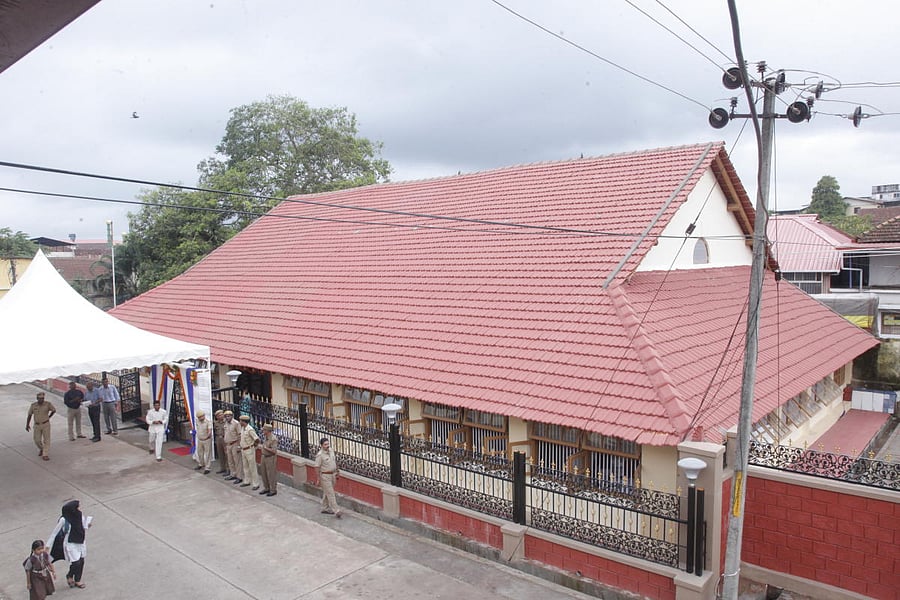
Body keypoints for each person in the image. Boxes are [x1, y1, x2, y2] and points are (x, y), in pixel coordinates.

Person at [48, 499, 91, 589]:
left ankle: (77, 580)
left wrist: (87, 525)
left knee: (81, 561)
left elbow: (83, 527)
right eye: (78, 507)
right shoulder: (64, 519)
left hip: (80, 541)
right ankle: (70, 575)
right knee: (76, 562)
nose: (79, 509)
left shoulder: (80, 516)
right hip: (70, 543)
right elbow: (54, 533)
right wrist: (47, 546)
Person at [313, 437, 342, 517]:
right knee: (331, 493)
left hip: (333, 474)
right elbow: (317, 467)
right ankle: (336, 510)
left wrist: (337, 471)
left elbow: (334, 461)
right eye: (325, 444)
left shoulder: (331, 451)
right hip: (325, 476)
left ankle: (324, 508)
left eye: (328, 444)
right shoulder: (320, 455)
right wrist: (318, 478)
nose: (327, 445)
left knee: (327, 492)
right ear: (321, 445)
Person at [26, 392, 56, 461]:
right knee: (37, 440)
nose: (41, 400)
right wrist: (27, 425)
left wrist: (49, 417)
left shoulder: (48, 404)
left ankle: (45, 454)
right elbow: (29, 415)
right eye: (40, 398)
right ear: (37, 399)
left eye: (42, 398)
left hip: (46, 424)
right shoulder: (33, 405)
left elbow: (54, 410)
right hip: (37, 425)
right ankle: (42, 449)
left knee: (47, 440)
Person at [238, 415, 260, 490]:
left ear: (244, 421)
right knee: (245, 466)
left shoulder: (250, 429)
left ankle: (256, 483)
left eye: (241, 421)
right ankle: (247, 481)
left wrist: (253, 446)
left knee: (252, 467)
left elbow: (256, 439)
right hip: (243, 449)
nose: (240, 422)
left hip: (249, 449)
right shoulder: (242, 428)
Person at [223, 411, 243, 484]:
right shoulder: (225, 423)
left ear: (232, 416)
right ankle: (233, 474)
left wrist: (239, 446)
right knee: (230, 461)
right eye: (226, 416)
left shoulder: (236, 423)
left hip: (235, 443)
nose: (227, 417)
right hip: (228, 444)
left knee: (237, 461)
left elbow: (239, 435)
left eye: (229, 416)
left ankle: (239, 477)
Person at [259, 423, 278, 496]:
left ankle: (273, 489)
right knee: (263, 473)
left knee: (271, 474)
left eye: (264, 430)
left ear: (268, 430)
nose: (263, 431)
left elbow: (274, 451)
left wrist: (266, 448)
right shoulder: (266, 437)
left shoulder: (273, 439)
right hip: (264, 456)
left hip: (270, 457)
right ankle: (266, 488)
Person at [213, 410, 228, 474]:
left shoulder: (226, 422)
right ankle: (222, 468)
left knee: (226, 454)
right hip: (218, 438)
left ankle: (228, 469)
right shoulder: (216, 423)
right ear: (217, 417)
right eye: (219, 415)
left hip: (225, 438)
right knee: (220, 453)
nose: (221, 416)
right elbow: (215, 430)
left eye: (222, 414)